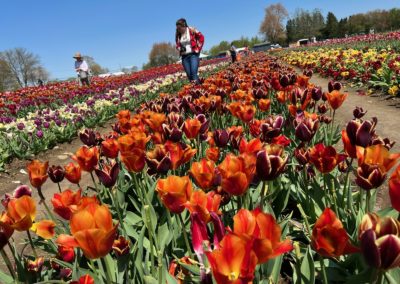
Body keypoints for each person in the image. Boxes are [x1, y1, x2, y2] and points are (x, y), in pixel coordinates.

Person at [175, 18, 204, 84]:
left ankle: (199, 90)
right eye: (177, 28)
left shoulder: (191, 30)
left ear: (184, 25)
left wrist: (198, 48)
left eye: (179, 28)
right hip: (184, 57)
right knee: (189, 75)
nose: (178, 30)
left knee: (193, 74)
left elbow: (201, 37)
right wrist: (180, 49)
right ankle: (195, 91)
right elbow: (177, 45)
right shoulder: (178, 34)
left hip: (193, 55)